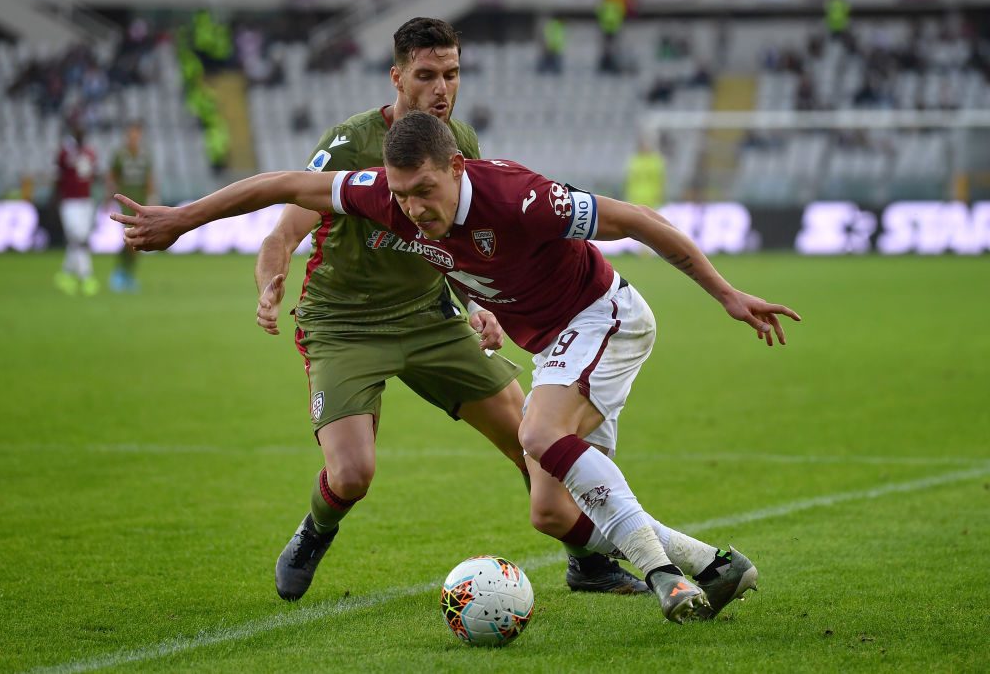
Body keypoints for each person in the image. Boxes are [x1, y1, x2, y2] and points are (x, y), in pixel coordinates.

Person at [113, 110, 801, 623]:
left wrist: (727, 294)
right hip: (550, 343)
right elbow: (285, 185)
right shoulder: (386, 194)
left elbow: (638, 218)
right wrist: (182, 218)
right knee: (550, 508)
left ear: (457, 171)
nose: (412, 208)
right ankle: (713, 565)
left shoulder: (520, 196)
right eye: (401, 194)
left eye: (424, 191)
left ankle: (659, 577)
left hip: (604, 318)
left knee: (534, 436)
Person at [255, 18, 647, 603]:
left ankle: (586, 562)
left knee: (531, 439)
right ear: (397, 77)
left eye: (452, 74)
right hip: (346, 325)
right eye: (427, 75)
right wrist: (271, 281)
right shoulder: (350, 142)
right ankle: (316, 530)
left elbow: (465, 240)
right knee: (352, 475)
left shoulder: (456, 144)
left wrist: (475, 304)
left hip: (429, 317)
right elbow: (284, 229)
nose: (442, 88)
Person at [107, 120, 154, 292]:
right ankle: (121, 273)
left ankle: (127, 274)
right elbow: (112, 175)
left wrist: (152, 197)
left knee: (138, 240)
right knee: (131, 239)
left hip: (141, 203)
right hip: (126, 202)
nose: (134, 137)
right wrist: (111, 195)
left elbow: (149, 178)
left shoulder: (144, 154)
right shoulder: (120, 155)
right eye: (132, 133)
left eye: (137, 133)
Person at [54, 125, 99, 296]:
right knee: (79, 238)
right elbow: (58, 176)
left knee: (78, 240)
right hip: (70, 201)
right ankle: (87, 277)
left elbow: (91, 175)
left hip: (86, 201)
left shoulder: (90, 153)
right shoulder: (65, 153)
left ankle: (65, 274)